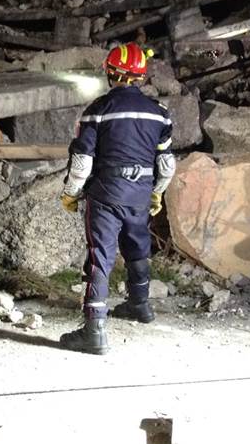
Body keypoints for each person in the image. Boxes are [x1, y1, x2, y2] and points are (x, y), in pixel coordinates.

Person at [58, 42, 176, 355]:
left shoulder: (97, 111)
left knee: (101, 255)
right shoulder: (160, 115)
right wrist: (157, 193)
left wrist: (70, 194)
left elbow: (82, 162)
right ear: (141, 76)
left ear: (112, 73)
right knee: (138, 247)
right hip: (140, 193)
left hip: (106, 193)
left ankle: (94, 330)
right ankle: (140, 305)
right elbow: (166, 164)